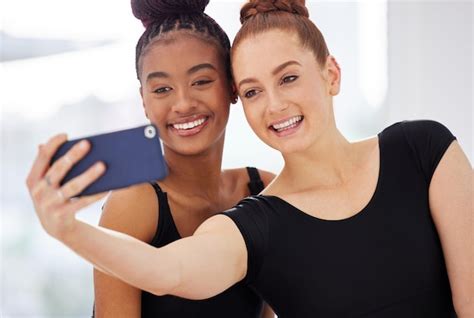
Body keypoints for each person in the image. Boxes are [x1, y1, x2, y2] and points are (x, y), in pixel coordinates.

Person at [27, 0, 472, 317]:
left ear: (331, 74)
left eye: (290, 78)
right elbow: (168, 271)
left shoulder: (421, 150)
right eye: (255, 90)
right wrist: (67, 229)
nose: (275, 105)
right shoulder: (253, 223)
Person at [28, 1, 276, 317]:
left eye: (201, 81)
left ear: (232, 86)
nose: (183, 103)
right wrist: (63, 226)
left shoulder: (263, 189)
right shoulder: (135, 204)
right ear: (144, 101)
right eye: (161, 89)